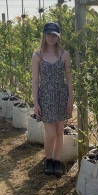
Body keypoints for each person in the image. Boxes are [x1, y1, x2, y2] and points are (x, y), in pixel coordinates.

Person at [31, 22, 73, 177]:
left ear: (59, 36)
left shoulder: (64, 55)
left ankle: (56, 161)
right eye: (49, 34)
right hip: (46, 97)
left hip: (62, 96)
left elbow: (69, 79)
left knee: (60, 131)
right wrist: (35, 102)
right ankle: (48, 159)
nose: (51, 37)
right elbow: (35, 81)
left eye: (54, 34)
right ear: (44, 35)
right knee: (51, 134)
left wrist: (70, 100)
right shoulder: (37, 56)